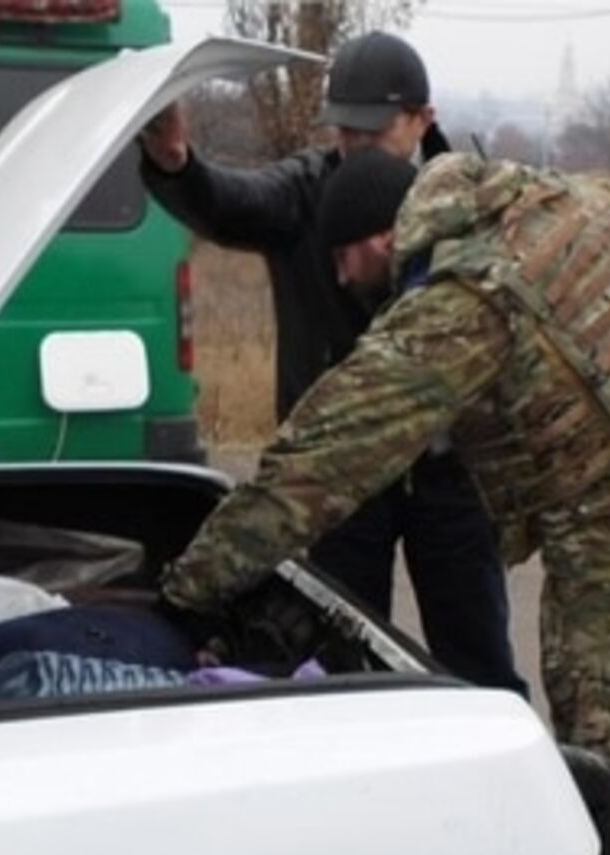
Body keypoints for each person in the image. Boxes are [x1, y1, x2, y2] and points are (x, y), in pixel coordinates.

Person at [160, 146, 610, 855]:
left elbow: (324, 460)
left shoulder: (460, 301)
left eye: (341, 259)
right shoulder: (573, 193)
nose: (339, 280)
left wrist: (191, 586)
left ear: (379, 239)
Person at [136, 31, 525, 696]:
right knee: (341, 656)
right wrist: (178, 165)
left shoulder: (471, 207)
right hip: (342, 486)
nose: (354, 147)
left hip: (451, 478)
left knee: (477, 658)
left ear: (422, 121)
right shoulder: (307, 193)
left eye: (373, 133)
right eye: (345, 131)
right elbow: (231, 203)